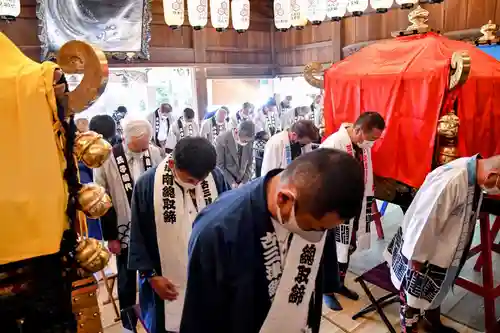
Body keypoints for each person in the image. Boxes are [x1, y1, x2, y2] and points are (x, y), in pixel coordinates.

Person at [181, 149, 365, 333]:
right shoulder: (216, 231)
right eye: (313, 228)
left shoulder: (319, 206)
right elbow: (199, 316)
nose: (318, 236)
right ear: (284, 199)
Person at [384, 154, 500, 333]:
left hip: (444, 247)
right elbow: (425, 222)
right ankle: (410, 329)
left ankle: (432, 323)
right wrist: (417, 258)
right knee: (412, 298)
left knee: (435, 290)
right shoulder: (451, 181)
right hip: (423, 252)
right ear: (493, 174)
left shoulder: (473, 172)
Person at [128, 137, 231, 333]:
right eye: (191, 180)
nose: (196, 185)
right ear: (173, 164)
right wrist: (150, 276)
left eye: (201, 180)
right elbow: (139, 235)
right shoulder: (148, 185)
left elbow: (229, 221)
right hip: (166, 282)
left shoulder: (215, 177)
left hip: (212, 278)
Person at [94, 116, 163, 333]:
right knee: (126, 277)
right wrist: (111, 236)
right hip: (122, 227)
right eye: (142, 143)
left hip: (151, 226)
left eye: (147, 142)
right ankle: (127, 324)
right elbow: (101, 200)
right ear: (128, 139)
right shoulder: (107, 158)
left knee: (152, 272)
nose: (146, 147)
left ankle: (153, 316)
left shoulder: (154, 152)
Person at [320, 111, 385, 311]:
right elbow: (320, 181)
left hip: (354, 206)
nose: (373, 143)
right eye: (372, 138)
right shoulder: (333, 144)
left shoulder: (361, 145)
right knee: (331, 250)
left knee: (348, 246)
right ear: (357, 130)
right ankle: (326, 290)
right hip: (334, 209)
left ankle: (339, 284)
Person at [215, 120, 255, 188]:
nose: (246, 143)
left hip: (243, 181)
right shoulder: (221, 140)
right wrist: (232, 183)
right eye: (244, 141)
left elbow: (250, 163)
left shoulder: (249, 140)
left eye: (248, 141)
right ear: (236, 132)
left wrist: (244, 181)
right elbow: (219, 165)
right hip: (228, 181)